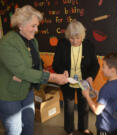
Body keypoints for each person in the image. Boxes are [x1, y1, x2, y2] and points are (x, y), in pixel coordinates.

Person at [0, 5, 68, 135]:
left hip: (27, 91)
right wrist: (53, 78)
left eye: (37, 26)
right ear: (21, 25)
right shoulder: (7, 42)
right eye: (33, 26)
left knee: (29, 126)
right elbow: (22, 71)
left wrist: (55, 74)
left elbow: (36, 66)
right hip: (9, 95)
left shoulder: (33, 41)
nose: (36, 30)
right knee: (15, 130)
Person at [52, 19, 100, 135]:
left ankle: (83, 128)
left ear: (82, 36)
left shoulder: (89, 45)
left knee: (84, 106)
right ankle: (69, 130)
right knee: (69, 106)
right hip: (67, 81)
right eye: (71, 38)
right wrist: (62, 71)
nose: (74, 41)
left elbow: (95, 65)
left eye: (77, 38)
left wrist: (90, 77)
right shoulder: (62, 44)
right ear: (68, 36)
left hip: (83, 81)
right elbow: (56, 64)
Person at [82, 52, 117, 135]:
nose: (101, 69)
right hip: (114, 123)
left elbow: (97, 111)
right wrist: (98, 93)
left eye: (104, 66)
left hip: (105, 128)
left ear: (112, 70)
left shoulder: (107, 88)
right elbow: (110, 99)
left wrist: (87, 96)